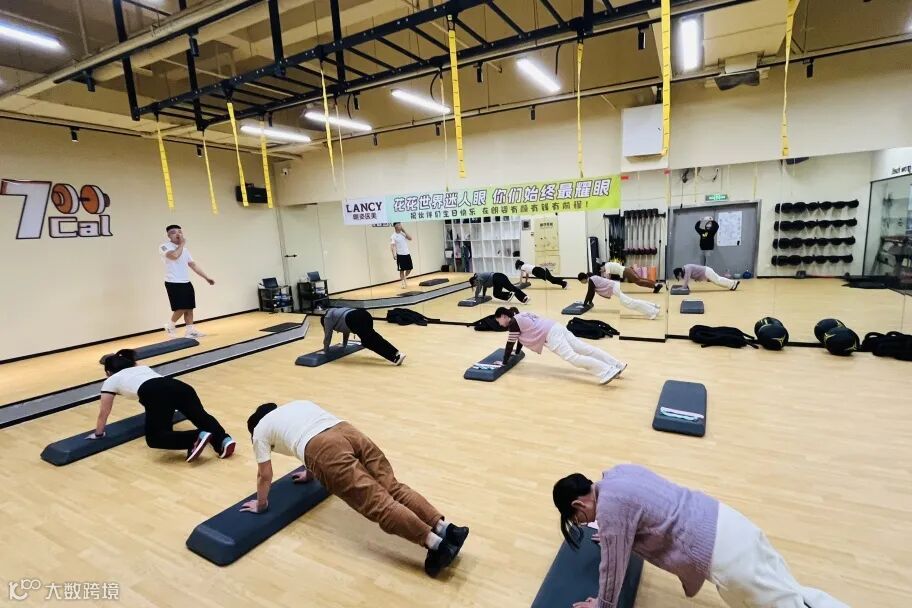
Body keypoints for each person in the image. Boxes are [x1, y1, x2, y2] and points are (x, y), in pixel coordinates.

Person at [553, 465, 848, 608]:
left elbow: (612, 567)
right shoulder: (617, 475)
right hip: (730, 523)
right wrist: (613, 537)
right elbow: (640, 511)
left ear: (579, 504)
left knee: (786, 605)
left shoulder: (611, 508)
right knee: (791, 591)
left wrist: (602, 606)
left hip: (726, 557)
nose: (586, 523)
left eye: (579, 519)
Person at [242, 401, 469, 577]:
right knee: (393, 487)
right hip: (348, 431)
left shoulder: (259, 430)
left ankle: (437, 546)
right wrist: (309, 472)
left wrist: (261, 504)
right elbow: (302, 435)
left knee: (379, 504)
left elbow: (265, 474)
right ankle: (447, 529)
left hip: (324, 449)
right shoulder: (296, 406)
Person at [90, 349, 235, 462]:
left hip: (155, 393)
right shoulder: (142, 367)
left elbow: (104, 412)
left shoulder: (111, 380)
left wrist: (98, 434)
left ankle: (195, 437)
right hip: (179, 386)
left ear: (108, 372)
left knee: (155, 438)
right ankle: (223, 440)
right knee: (201, 417)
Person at [493, 307, 625, 384]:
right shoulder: (519, 315)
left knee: (574, 358)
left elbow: (510, 344)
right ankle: (616, 365)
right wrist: (516, 353)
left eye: (499, 321)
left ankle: (607, 371)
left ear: (504, 316)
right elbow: (519, 339)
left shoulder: (513, 324)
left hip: (550, 335)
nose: (499, 324)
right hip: (556, 326)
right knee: (585, 349)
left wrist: (504, 363)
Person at [160, 224, 215, 338]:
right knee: (181, 307)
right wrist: (182, 244)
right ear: (169, 236)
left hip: (186, 282)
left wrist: (206, 277)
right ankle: (170, 325)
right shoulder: (164, 246)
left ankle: (190, 331)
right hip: (173, 282)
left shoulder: (185, 250)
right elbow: (174, 255)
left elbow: (193, 265)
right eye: (174, 232)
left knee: (189, 308)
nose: (178, 234)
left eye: (180, 232)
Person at [321, 307, 405, 365]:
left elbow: (328, 335)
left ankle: (395, 358)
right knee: (373, 337)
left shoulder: (327, 319)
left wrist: (325, 350)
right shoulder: (336, 311)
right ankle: (396, 353)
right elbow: (346, 330)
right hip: (363, 314)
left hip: (354, 319)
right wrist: (344, 345)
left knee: (369, 342)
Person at [577, 273, 660, 320]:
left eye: (581, 282)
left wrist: (585, 304)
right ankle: (654, 306)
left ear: (583, 279)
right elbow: (591, 293)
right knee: (631, 301)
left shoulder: (591, 280)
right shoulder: (591, 277)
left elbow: (590, 293)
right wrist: (589, 302)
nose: (582, 283)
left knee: (630, 303)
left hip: (614, 288)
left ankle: (653, 311)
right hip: (615, 286)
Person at [673, 264, 740, 291]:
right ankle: (732, 285)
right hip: (706, 272)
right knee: (718, 281)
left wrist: (680, 288)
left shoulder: (687, 269)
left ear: (679, 272)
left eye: (678, 275)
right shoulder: (685, 268)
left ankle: (733, 283)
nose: (679, 277)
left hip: (707, 272)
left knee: (718, 280)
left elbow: (686, 282)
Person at [390, 222, 413, 288]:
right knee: (401, 270)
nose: (400, 226)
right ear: (395, 226)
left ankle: (405, 278)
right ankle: (403, 283)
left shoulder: (403, 234)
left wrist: (404, 230)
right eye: (399, 225)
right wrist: (394, 254)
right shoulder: (393, 236)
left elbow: (410, 238)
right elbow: (392, 246)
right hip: (400, 255)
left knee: (409, 269)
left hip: (407, 254)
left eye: (400, 225)